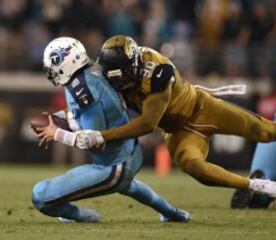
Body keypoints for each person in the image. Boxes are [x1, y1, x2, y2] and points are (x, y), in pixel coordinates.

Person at [39, 35, 276, 200]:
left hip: (200, 108)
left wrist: (102, 137)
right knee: (194, 168)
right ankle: (258, 185)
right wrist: (70, 117)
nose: (119, 83)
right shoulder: (112, 74)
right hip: (178, 131)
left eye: (121, 77)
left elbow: (147, 124)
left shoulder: (157, 70)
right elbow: (105, 104)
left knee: (266, 131)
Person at [33, 37, 190, 223]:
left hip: (114, 167)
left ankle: (81, 216)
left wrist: (57, 133)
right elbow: (85, 113)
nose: (50, 70)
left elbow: (95, 142)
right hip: (129, 153)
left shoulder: (81, 88)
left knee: (40, 196)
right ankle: (172, 212)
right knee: (129, 186)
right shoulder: (91, 74)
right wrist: (59, 118)